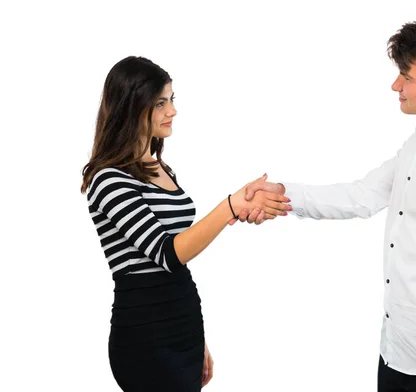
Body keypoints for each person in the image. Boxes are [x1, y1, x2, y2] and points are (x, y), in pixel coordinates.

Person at [241, 15, 416, 392]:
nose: (395, 85)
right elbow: (362, 195)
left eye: (407, 76)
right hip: (399, 354)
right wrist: (281, 192)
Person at [80, 56, 291, 392]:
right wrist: (231, 207)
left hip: (182, 324)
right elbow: (168, 254)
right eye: (160, 102)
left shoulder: (160, 168)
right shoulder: (108, 179)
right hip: (146, 336)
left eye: (171, 100)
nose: (172, 111)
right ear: (132, 106)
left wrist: (198, 336)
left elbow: (177, 269)